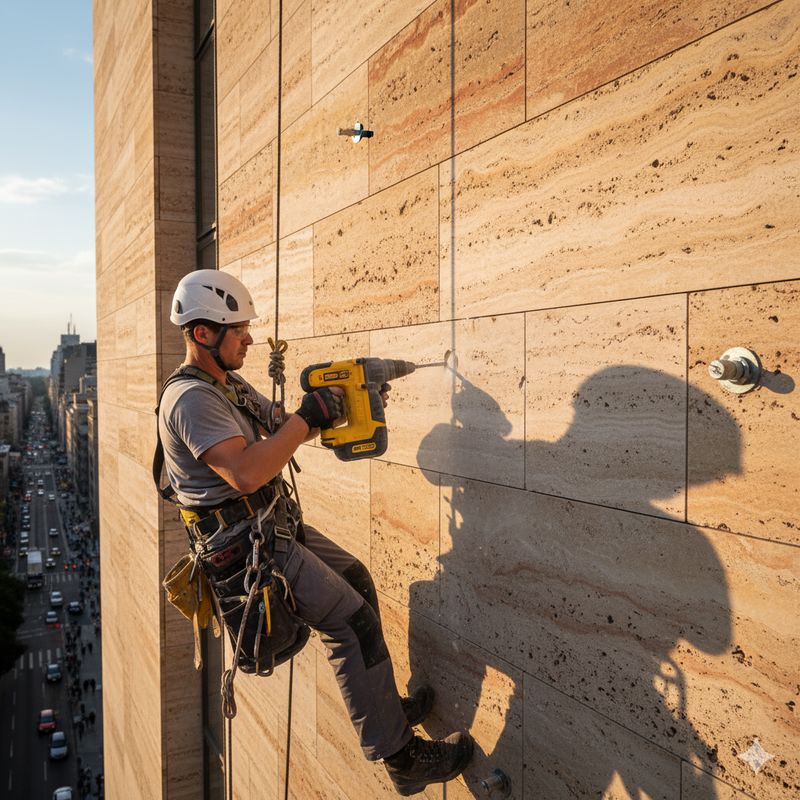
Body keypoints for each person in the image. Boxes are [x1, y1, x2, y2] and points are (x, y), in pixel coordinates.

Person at [157, 270, 473, 796]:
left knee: (358, 579)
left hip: (270, 523)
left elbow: (282, 423)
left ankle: (387, 708)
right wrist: (308, 415)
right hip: (247, 550)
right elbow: (247, 472)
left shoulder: (225, 384)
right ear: (202, 334)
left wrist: (342, 408)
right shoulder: (190, 401)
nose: (250, 339)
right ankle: (401, 759)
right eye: (239, 331)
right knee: (352, 623)